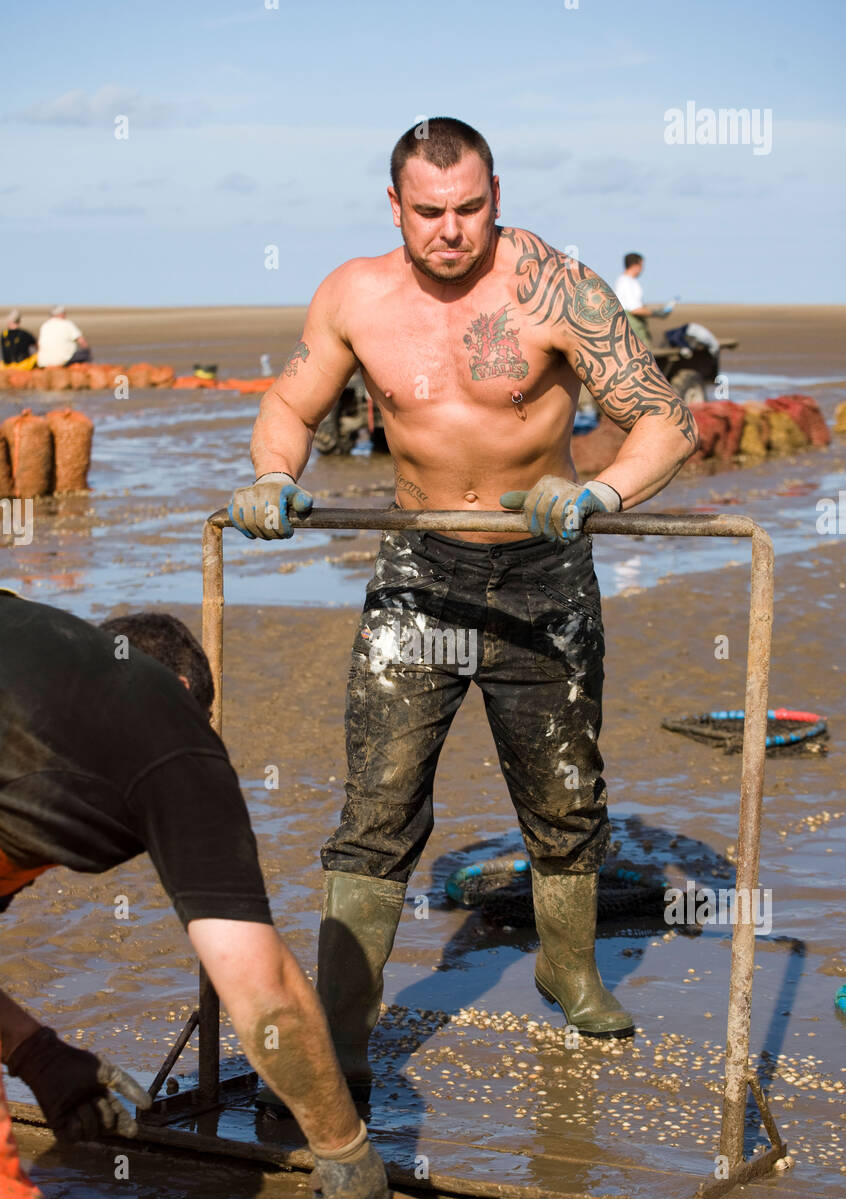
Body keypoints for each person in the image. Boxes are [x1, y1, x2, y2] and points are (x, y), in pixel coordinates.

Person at [227, 118, 698, 1101]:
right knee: (381, 806)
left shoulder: (556, 288)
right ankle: (346, 1030)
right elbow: (290, 406)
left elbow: (662, 419)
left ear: (498, 195)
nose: (452, 229)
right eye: (431, 211)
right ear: (393, 207)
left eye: (471, 207)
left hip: (544, 567)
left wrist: (601, 496)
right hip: (419, 571)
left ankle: (569, 968)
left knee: (566, 794)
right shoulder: (356, 294)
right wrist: (272, 476)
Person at [0, 594, 388, 1199]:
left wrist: (36, 1052)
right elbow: (263, 991)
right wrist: (342, 1144)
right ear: (183, 695)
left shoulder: (31, 668)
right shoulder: (167, 729)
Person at [612, 254, 674, 347]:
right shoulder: (627, 283)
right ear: (636, 265)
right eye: (642, 265)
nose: (642, 269)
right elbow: (635, 309)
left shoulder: (625, 281)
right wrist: (656, 313)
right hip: (633, 328)